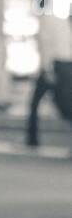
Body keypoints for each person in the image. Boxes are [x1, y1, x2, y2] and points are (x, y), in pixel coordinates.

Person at [27, 9, 72, 148]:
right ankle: (32, 138)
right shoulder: (62, 24)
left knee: (63, 105)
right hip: (63, 65)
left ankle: (32, 139)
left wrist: (47, 69)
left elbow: (47, 46)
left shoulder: (50, 22)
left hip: (56, 65)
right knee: (63, 104)